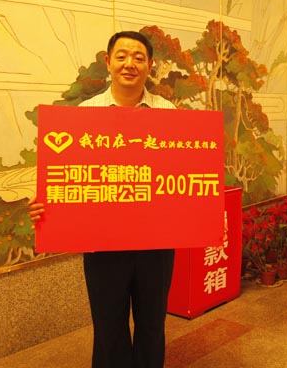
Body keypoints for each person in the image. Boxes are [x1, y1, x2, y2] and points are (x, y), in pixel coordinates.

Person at [28, 31, 176, 368]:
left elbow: (183, 175)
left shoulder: (168, 112)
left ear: (150, 65)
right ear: (108, 62)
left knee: (152, 325)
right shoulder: (86, 112)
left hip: (156, 241)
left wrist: (206, 213)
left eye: (138, 57)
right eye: (121, 56)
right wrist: (46, 205)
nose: (129, 63)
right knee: (109, 328)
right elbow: (69, 175)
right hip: (103, 243)